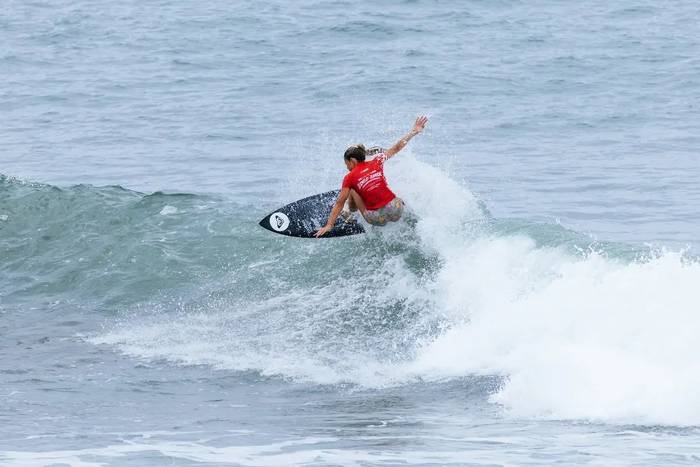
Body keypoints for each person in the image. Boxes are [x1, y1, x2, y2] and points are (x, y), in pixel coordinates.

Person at [315, 116, 428, 237]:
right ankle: (398, 200)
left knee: (353, 190)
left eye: (346, 163)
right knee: (381, 182)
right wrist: (414, 131)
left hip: (376, 219)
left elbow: (339, 203)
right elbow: (397, 147)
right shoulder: (377, 161)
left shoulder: (349, 177)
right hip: (396, 209)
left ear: (352, 160)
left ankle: (350, 212)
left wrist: (329, 225)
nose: (347, 167)